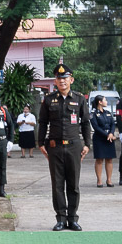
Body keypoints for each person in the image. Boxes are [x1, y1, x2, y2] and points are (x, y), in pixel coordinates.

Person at [38, 63, 91, 231]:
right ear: (55, 81)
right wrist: (40, 143)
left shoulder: (79, 99)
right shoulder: (48, 100)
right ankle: (60, 218)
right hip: (55, 147)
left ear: (71, 80)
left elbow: (86, 123)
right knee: (58, 184)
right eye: (59, 79)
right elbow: (43, 122)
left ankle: (73, 218)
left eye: (65, 78)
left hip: (74, 146)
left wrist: (87, 144)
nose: (62, 81)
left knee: (73, 184)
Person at [90, 95, 117, 188]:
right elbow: (96, 127)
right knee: (99, 159)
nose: (106, 102)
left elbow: (113, 124)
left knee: (109, 159)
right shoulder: (93, 113)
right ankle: (99, 180)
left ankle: (109, 179)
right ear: (100, 102)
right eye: (105, 100)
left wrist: (111, 133)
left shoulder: (108, 112)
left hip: (109, 138)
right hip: (99, 138)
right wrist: (107, 135)